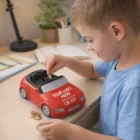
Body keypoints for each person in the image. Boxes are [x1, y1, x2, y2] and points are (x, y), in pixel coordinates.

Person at [37, 0, 140, 140]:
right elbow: (92, 71)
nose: (89, 47)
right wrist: (66, 61)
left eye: (90, 40)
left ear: (117, 31)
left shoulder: (133, 87)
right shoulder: (118, 59)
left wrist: (71, 133)